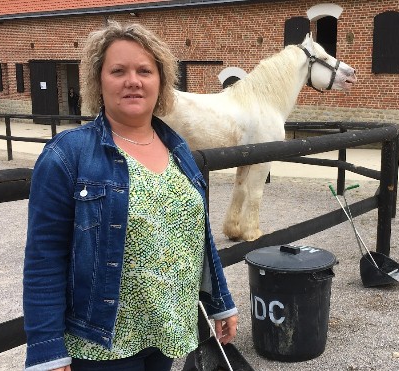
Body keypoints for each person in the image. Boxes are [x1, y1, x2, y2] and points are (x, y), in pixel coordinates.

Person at [23, 21, 238, 371]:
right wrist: (46, 349)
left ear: (161, 81)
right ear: (98, 81)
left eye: (144, 70)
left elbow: (196, 235)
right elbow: (44, 257)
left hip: (168, 330)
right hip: (102, 344)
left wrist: (221, 302)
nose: (133, 81)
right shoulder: (68, 154)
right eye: (118, 70)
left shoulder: (179, 150)